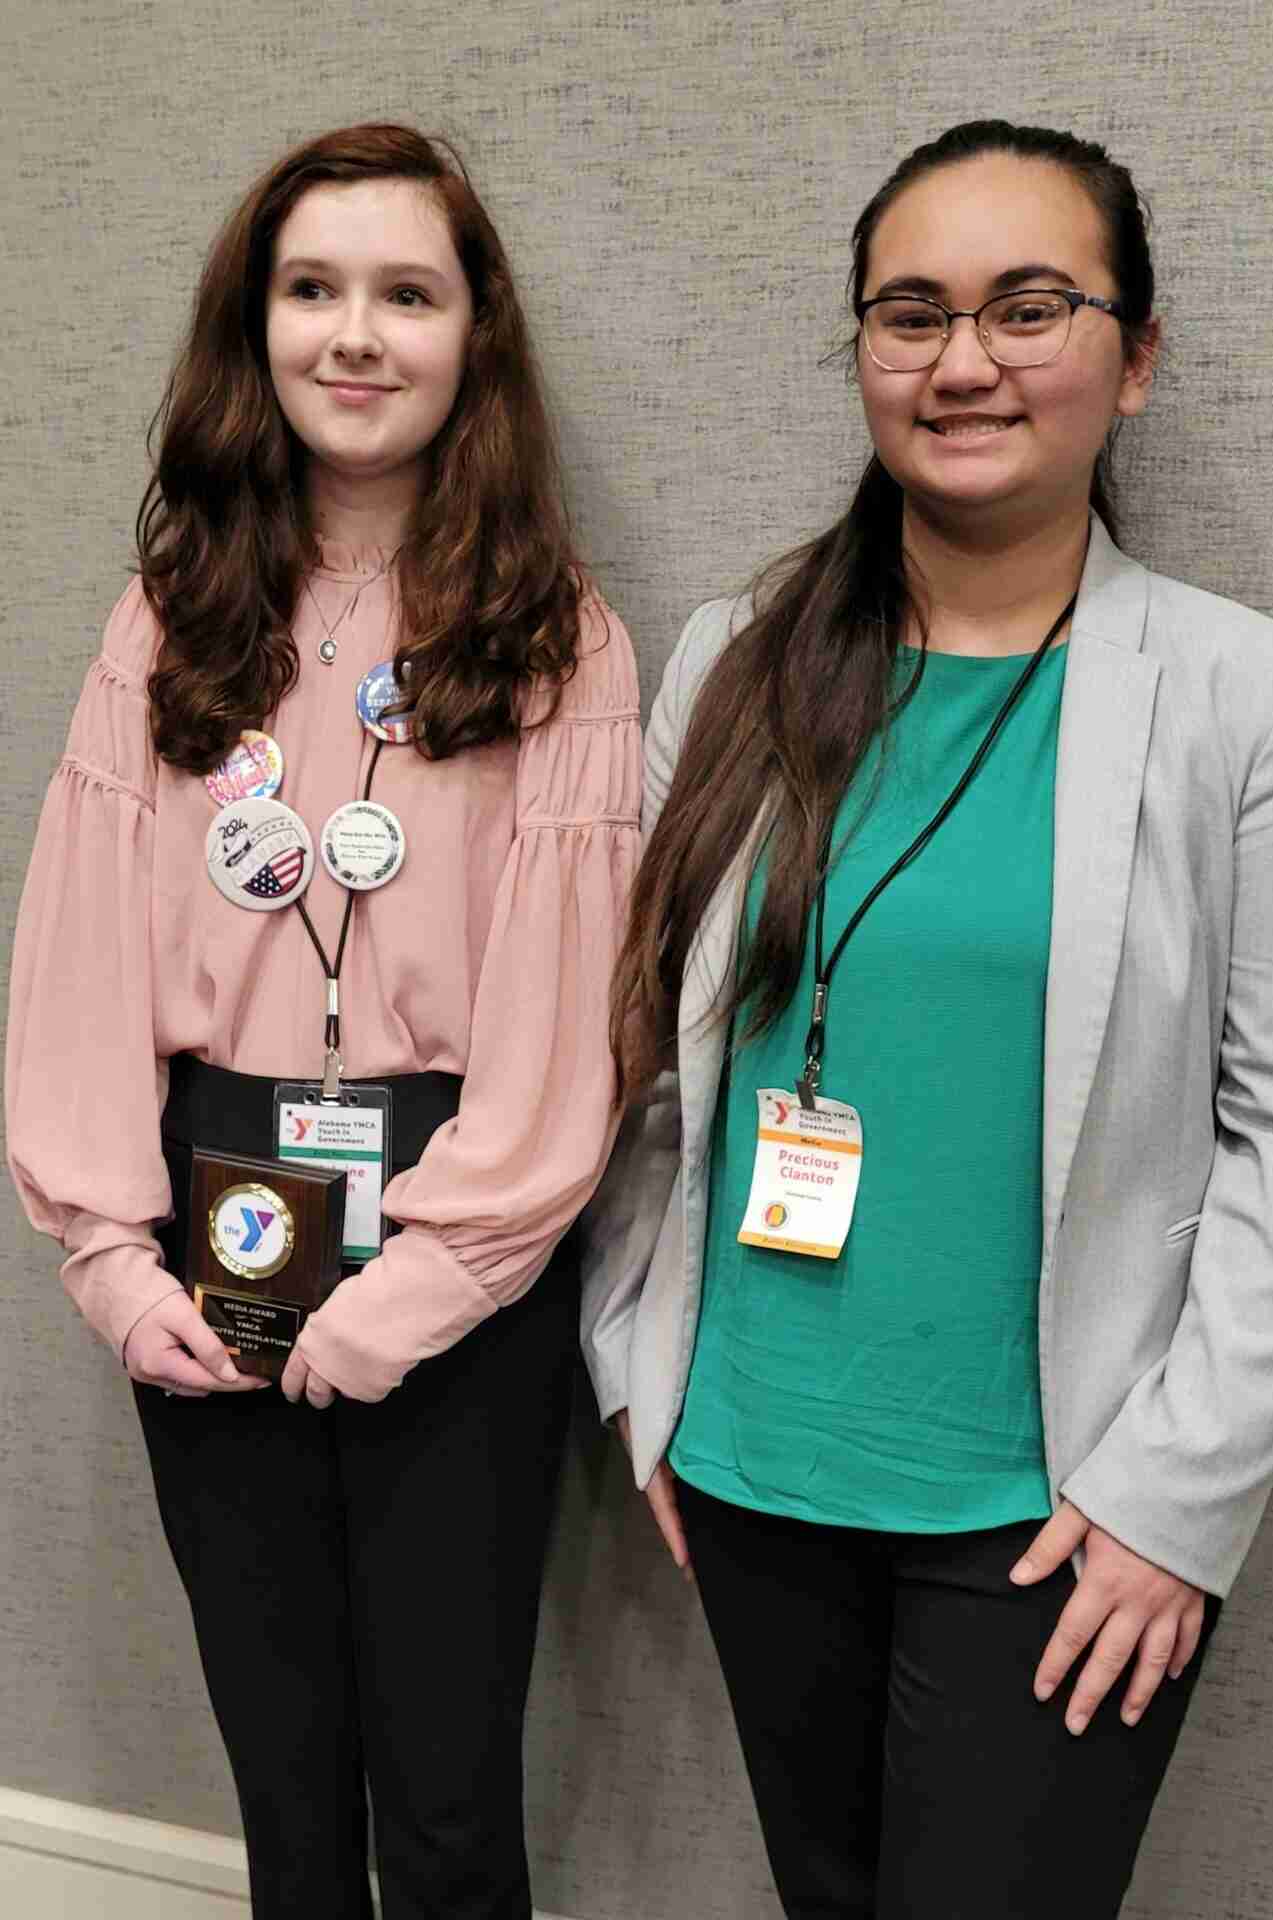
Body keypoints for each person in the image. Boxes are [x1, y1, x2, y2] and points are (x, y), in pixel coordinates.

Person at [580, 119, 1273, 1918]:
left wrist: (1180, 1498)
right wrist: (640, 1363)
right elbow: (647, 1057)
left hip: (1064, 1507)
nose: (962, 363)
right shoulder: (737, 658)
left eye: (1029, 308)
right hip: (756, 1463)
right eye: (911, 313)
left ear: (1135, 357)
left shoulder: (1257, 701)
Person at [7, 123, 640, 1920]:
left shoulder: (556, 637)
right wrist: (111, 1260)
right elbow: (77, 957)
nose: (356, 335)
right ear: (256, 325)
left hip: (461, 1233)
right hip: (212, 1215)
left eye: (406, 294)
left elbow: (569, 1009)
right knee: (282, 1793)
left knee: (445, 1802)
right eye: (313, 289)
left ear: (474, 336)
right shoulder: (168, 619)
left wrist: (429, 1284)